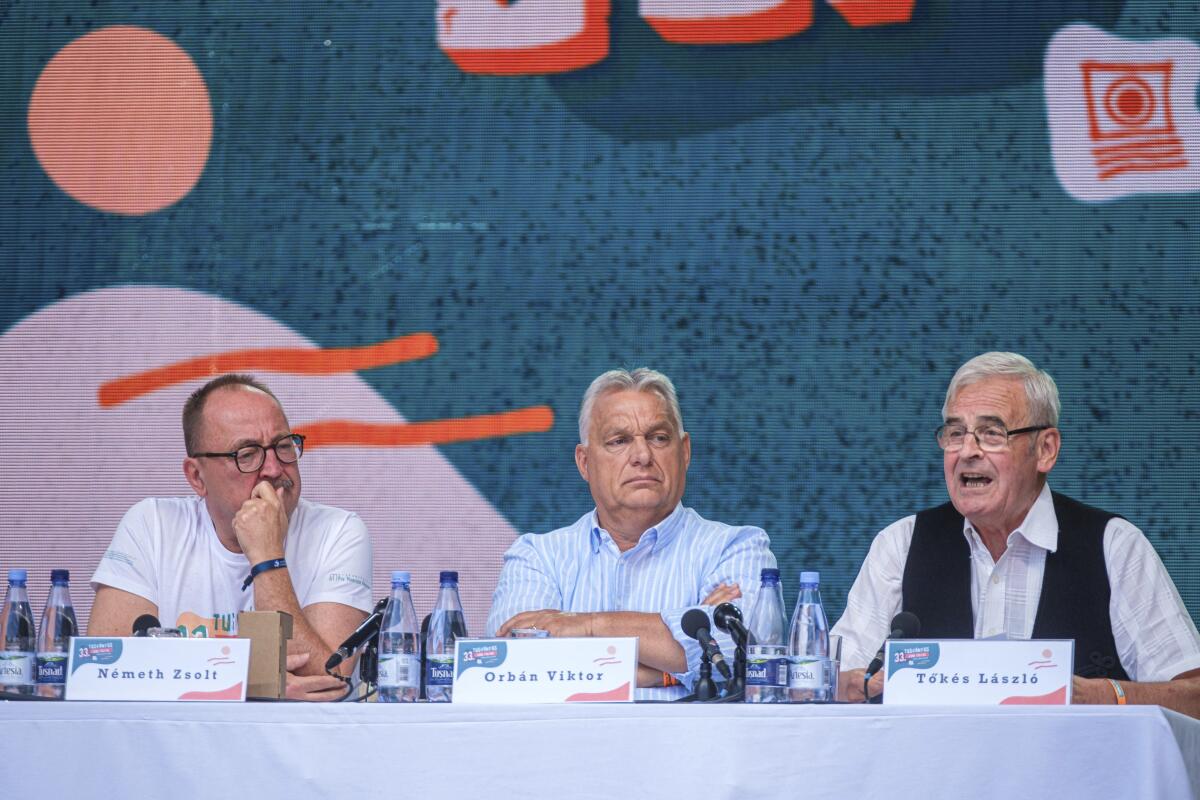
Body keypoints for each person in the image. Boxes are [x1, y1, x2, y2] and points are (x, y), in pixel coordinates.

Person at [833, 352, 1200, 716]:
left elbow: (1194, 696)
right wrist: (856, 686)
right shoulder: (902, 543)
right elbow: (827, 682)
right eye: (955, 432)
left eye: (992, 433)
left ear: (1046, 449)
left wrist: (1100, 696)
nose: (967, 451)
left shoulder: (1114, 546)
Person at [487, 367, 776, 700]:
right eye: (619, 441)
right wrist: (669, 671)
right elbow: (514, 669)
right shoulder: (537, 556)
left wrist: (585, 626)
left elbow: (743, 655)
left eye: (658, 438)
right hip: (565, 748)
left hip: (691, 749)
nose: (642, 456)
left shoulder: (738, 548)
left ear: (684, 452)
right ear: (584, 463)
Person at [90, 374, 373, 700]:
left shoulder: (338, 532)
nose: (273, 469)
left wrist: (267, 558)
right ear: (197, 477)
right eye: (247, 454)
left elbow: (330, 679)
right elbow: (105, 667)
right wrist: (249, 681)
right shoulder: (151, 525)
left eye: (283, 446)